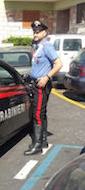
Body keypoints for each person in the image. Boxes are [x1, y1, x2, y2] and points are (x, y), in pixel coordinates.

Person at [24, 20, 62, 156]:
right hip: (35, 83)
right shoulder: (37, 46)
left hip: (41, 85)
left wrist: (46, 77)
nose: (35, 33)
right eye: (34, 31)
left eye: (38, 31)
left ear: (45, 33)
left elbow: (58, 64)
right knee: (41, 113)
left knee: (38, 114)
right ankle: (44, 140)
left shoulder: (47, 46)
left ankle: (38, 145)